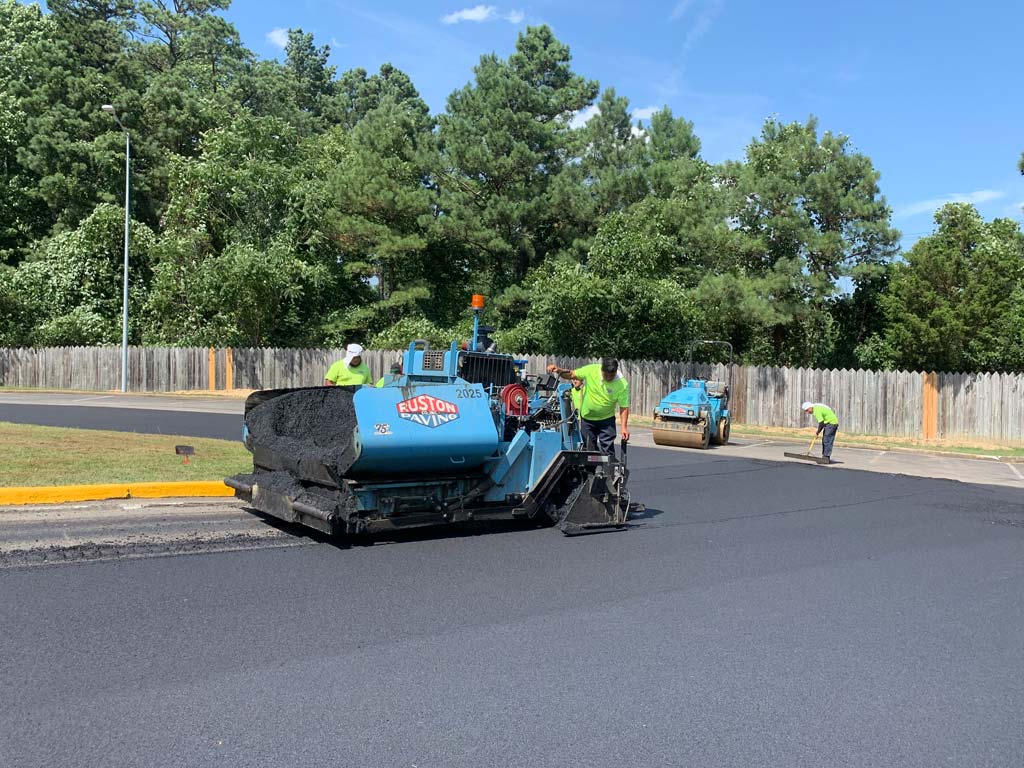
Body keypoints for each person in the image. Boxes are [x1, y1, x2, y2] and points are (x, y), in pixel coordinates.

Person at [547, 358, 629, 455]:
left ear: (615, 372)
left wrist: (624, 427)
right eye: (605, 374)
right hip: (588, 419)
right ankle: (589, 470)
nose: (608, 378)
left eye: (611, 376)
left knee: (607, 452)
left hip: (607, 420)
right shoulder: (592, 370)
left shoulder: (622, 384)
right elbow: (572, 374)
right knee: (588, 451)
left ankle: (609, 469)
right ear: (601, 370)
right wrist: (559, 370)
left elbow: (624, 407)